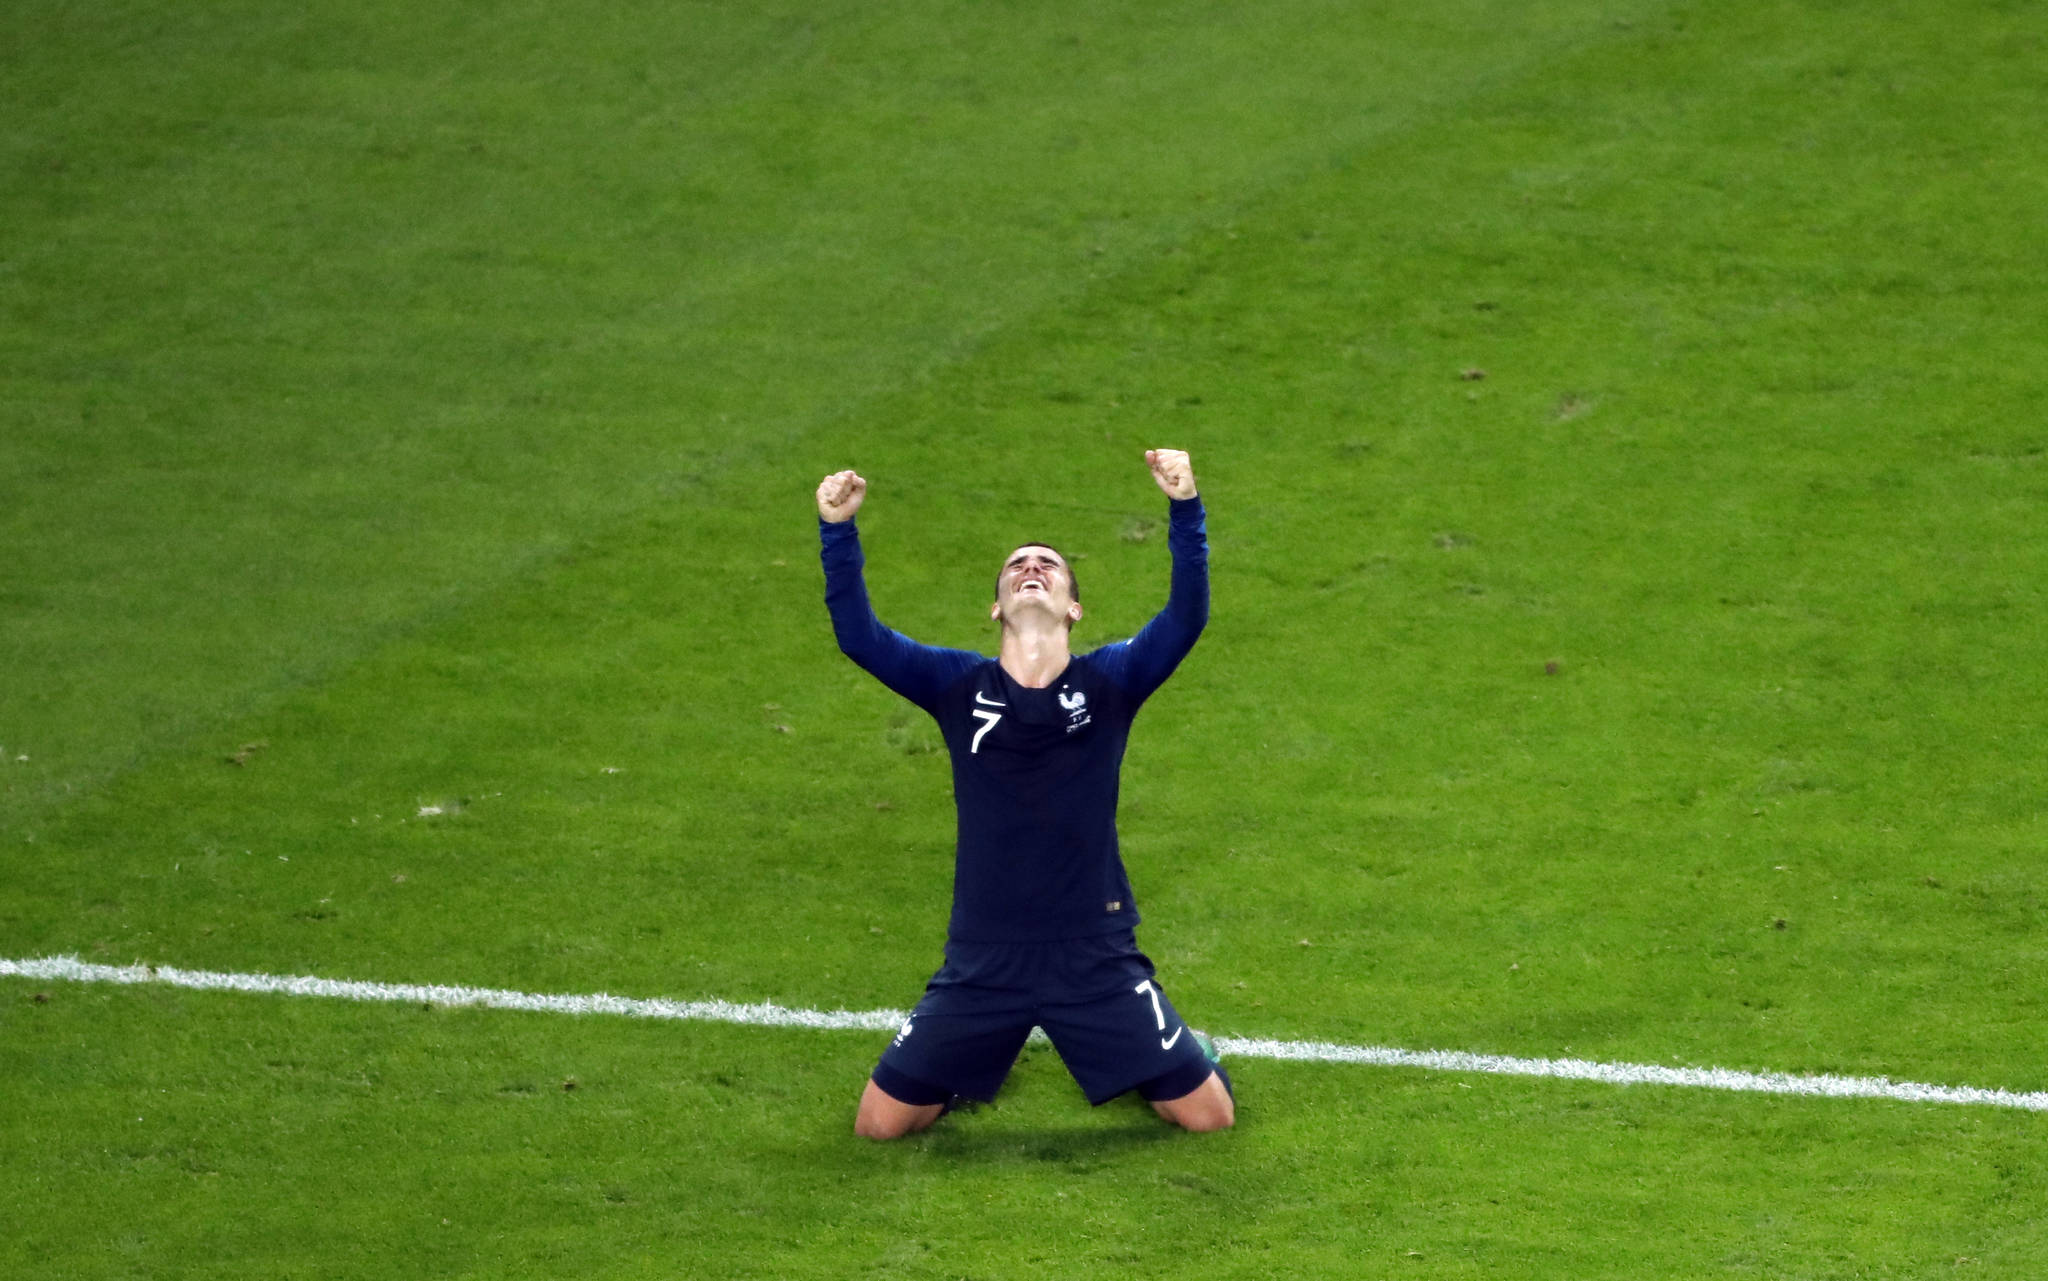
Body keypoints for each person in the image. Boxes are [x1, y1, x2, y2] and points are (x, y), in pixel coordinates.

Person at [815, 449, 1234, 1139]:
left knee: (1208, 1117)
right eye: (1016, 566)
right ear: (997, 606)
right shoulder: (956, 685)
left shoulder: (1112, 682)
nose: (1030, 568)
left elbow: (1186, 617)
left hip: (1093, 953)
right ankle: (970, 1068)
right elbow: (860, 637)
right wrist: (838, 528)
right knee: (879, 1127)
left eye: (1047, 565)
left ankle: (1187, 1052)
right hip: (984, 956)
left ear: (1072, 606)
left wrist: (1185, 508)